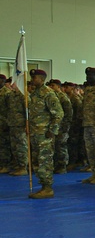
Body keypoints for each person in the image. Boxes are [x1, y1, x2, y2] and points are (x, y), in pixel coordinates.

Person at [26, 69, 64, 199]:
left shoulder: (48, 94)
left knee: (45, 161)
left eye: (34, 77)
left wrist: (52, 131)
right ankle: (42, 186)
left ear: (42, 79)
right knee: (37, 160)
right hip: (35, 133)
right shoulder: (34, 93)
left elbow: (58, 114)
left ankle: (48, 188)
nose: (32, 79)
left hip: (44, 134)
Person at [46, 79, 73, 174]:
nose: (50, 87)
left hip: (62, 126)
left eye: (52, 85)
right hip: (54, 126)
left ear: (58, 86)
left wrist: (65, 126)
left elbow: (68, 113)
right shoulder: (51, 96)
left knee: (61, 146)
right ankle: (56, 165)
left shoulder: (63, 97)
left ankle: (62, 166)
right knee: (54, 146)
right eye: (49, 86)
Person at [0, 74, 11, 173]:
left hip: (4, 123)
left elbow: (10, 110)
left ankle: (5, 165)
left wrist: (7, 123)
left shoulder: (7, 93)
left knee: (4, 145)